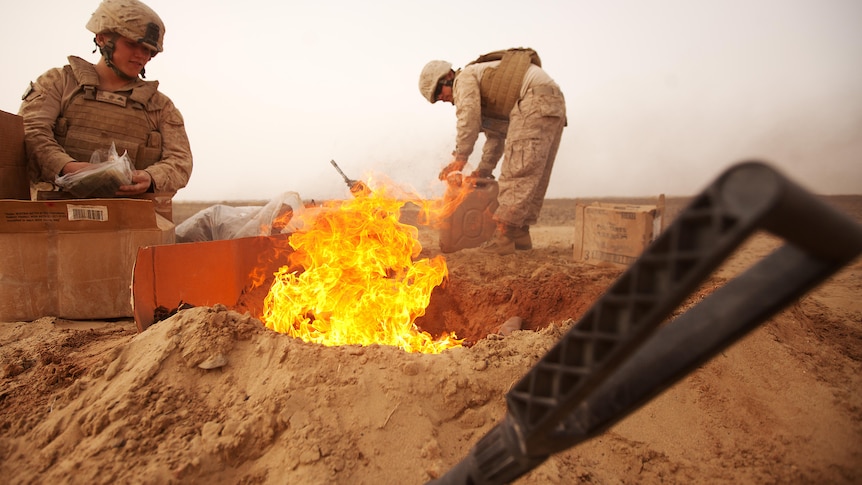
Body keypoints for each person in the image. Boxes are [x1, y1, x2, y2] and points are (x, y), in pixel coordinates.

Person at [19, 0, 192, 201]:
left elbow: (180, 161)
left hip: (130, 220)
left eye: (147, 50)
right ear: (101, 38)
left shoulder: (161, 107)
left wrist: (150, 177)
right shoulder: (58, 83)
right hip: (55, 213)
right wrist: (67, 167)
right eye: (132, 44)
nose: (141, 55)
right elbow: (30, 132)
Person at [418, 48, 566, 255]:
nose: (441, 99)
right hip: (552, 104)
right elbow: (496, 138)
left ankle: (504, 238)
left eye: (438, 93)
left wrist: (460, 158)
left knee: (518, 171)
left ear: (448, 77)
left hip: (535, 101)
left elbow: (468, 118)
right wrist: (483, 170)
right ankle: (520, 235)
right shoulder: (490, 94)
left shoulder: (465, 78)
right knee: (533, 172)